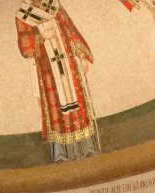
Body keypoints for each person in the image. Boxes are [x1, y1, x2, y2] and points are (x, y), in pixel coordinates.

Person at [15, 0, 97, 162]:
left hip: (69, 65)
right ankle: (61, 154)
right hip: (48, 72)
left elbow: (69, 29)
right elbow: (24, 44)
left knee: (78, 104)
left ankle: (87, 147)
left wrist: (81, 55)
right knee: (56, 109)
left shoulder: (53, 4)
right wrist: (41, 37)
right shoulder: (23, 13)